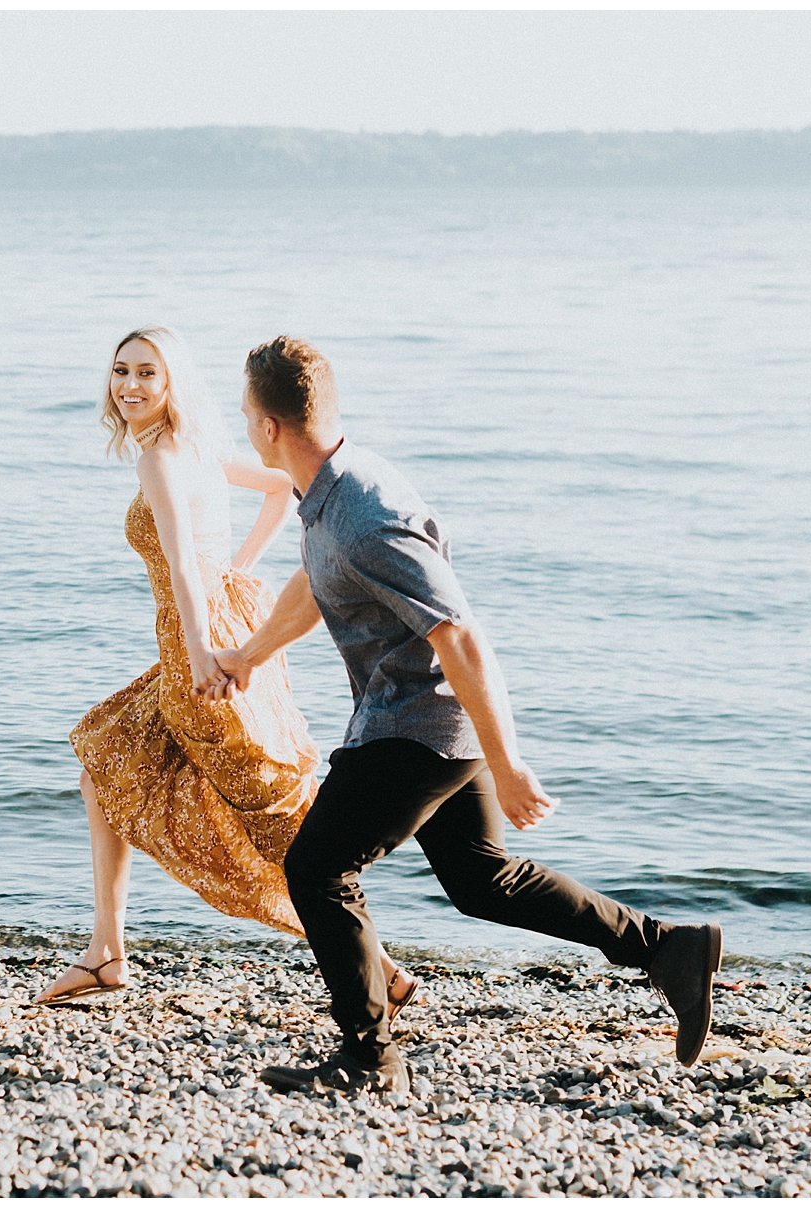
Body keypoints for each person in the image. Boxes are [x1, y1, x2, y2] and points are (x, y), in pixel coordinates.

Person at [210, 335, 723, 1093]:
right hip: (427, 720)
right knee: (483, 882)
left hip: (415, 728)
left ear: (267, 427)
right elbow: (314, 582)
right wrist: (250, 654)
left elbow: (459, 633)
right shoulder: (329, 490)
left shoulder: (361, 514)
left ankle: (369, 1056)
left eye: (246, 415)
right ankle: (667, 948)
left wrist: (508, 762)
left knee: (317, 870)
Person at [36, 327, 421, 1015]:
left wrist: (198, 647)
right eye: (121, 371)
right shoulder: (197, 449)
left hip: (202, 644)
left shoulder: (159, 460)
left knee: (267, 821)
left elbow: (184, 566)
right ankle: (106, 953)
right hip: (223, 628)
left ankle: (380, 971)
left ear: (171, 382)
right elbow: (281, 488)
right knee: (103, 759)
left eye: (146, 373)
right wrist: (238, 571)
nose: (129, 385)